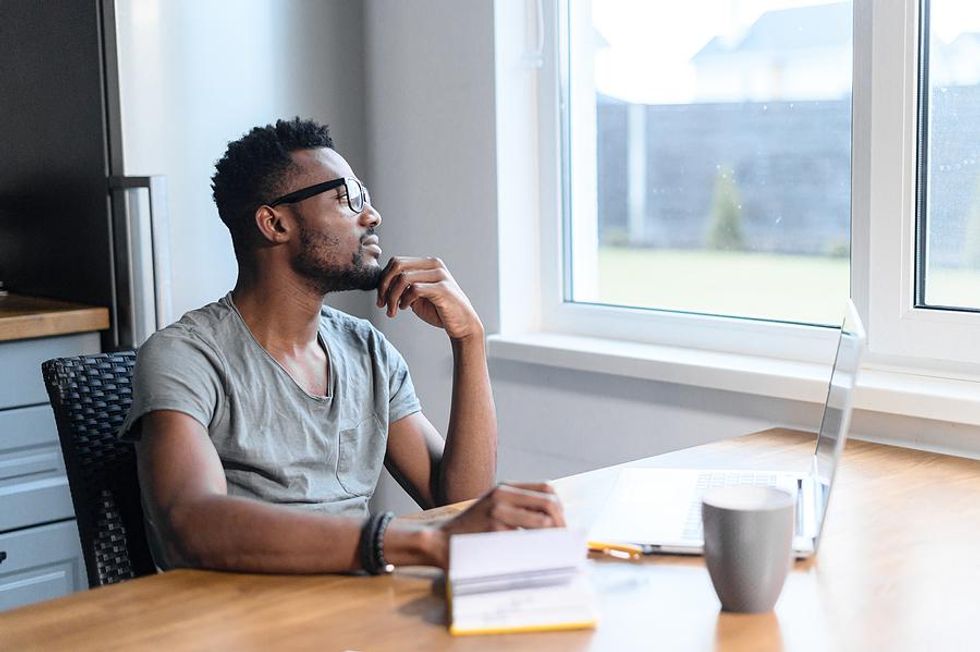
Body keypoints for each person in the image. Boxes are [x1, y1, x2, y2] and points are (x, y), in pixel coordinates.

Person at [120, 117, 565, 574]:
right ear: (274, 223)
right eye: (347, 198)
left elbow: (456, 502)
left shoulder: (366, 350)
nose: (371, 216)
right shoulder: (186, 356)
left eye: (365, 199)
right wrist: (415, 541)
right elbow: (191, 526)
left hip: (357, 606)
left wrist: (469, 339)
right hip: (244, 621)